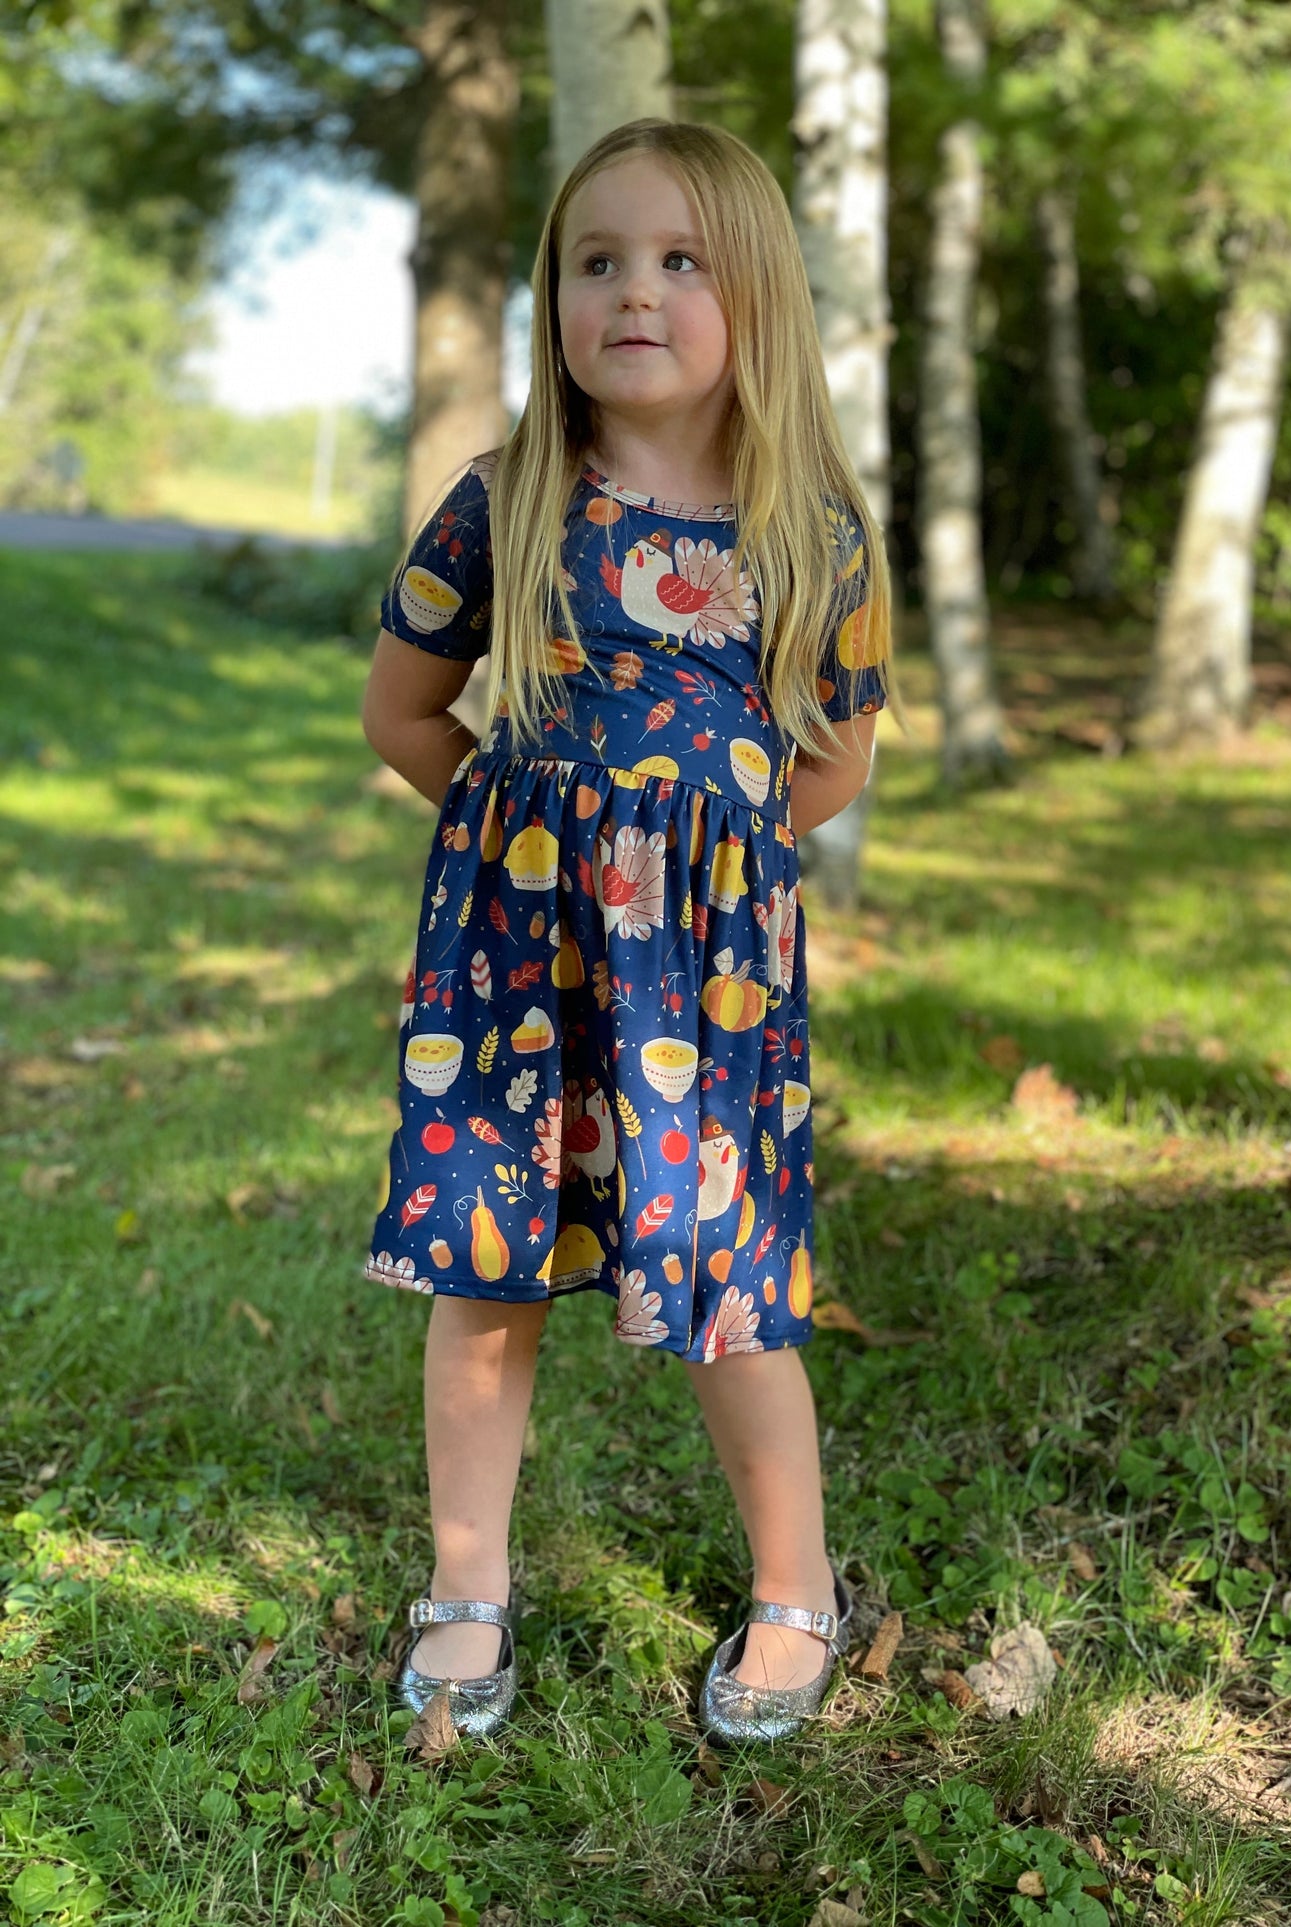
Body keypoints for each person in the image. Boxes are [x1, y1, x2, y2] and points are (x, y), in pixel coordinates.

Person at [360, 116, 896, 1745]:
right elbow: (402, 715)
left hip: (707, 982)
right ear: (554, 300)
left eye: (679, 260)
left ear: (757, 300)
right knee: (485, 1272)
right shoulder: (511, 500)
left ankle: (793, 1585)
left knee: (721, 1283)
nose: (635, 292)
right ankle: (467, 1584)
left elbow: (837, 762)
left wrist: (696, 866)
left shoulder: (811, 532)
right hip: (507, 966)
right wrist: (516, 855)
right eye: (597, 260)